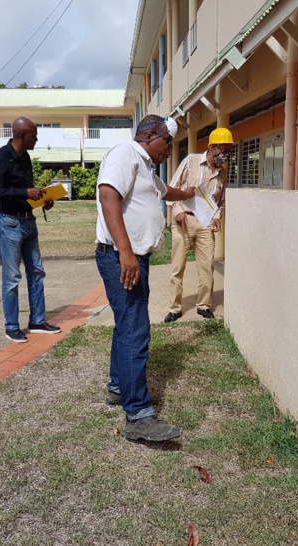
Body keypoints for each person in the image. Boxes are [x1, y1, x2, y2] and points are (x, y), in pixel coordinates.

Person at [96, 114, 195, 442]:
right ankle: (138, 414)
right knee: (135, 331)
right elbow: (108, 194)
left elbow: (167, 192)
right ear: (152, 136)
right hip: (122, 257)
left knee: (127, 325)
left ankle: (116, 386)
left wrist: (191, 193)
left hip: (134, 258)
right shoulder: (126, 154)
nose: (170, 150)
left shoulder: (146, 169)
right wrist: (125, 251)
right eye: (168, 142)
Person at [0, 116, 61, 343]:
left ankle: (37, 321)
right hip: (8, 222)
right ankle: (11, 326)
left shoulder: (25, 157)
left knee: (36, 271)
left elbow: (24, 191)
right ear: (21, 135)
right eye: (34, 135)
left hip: (28, 220)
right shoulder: (0, 157)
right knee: (12, 276)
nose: (36, 139)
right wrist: (25, 193)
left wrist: (42, 198)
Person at [163, 127, 234, 323]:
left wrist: (217, 216)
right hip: (184, 220)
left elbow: (220, 201)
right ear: (211, 147)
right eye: (223, 149)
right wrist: (177, 211)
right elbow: (173, 189)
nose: (225, 154)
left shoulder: (222, 173)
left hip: (206, 224)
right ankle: (175, 308)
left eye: (229, 150)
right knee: (178, 267)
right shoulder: (191, 161)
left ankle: (203, 305)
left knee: (206, 267)